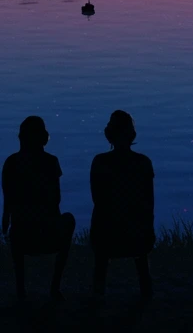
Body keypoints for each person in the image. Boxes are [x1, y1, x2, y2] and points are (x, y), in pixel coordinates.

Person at [1, 115, 76, 302]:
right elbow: (56, 200)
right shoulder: (51, 162)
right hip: (49, 236)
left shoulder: (11, 163)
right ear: (43, 138)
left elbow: (7, 205)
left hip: (22, 237)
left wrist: (7, 224)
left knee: (16, 227)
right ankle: (54, 287)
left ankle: (20, 289)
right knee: (69, 219)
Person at [90, 110, 155, 301]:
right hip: (137, 237)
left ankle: (98, 290)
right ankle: (146, 289)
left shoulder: (99, 162)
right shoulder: (143, 163)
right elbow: (149, 204)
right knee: (140, 247)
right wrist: (148, 230)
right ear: (132, 134)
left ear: (109, 134)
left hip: (106, 238)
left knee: (102, 223)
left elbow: (97, 201)